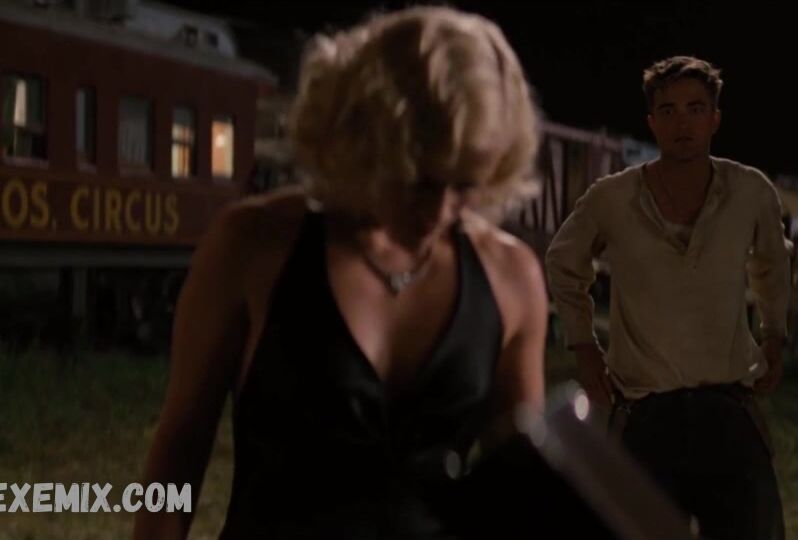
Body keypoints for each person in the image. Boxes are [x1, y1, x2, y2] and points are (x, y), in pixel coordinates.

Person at [133, 7, 548, 539]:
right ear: (364, 140)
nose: (439, 211)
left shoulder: (512, 279)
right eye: (419, 181)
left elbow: (523, 492)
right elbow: (180, 448)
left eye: (464, 185)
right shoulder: (253, 245)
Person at [545, 55, 790, 540]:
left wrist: (775, 334)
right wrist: (583, 345)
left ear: (715, 119)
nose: (683, 123)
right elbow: (562, 262)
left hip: (727, 408)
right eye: (669, 110)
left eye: (696, 109)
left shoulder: (749, 191)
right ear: (651, 122)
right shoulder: (612, 198)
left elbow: (772, 262)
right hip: (646, 412)